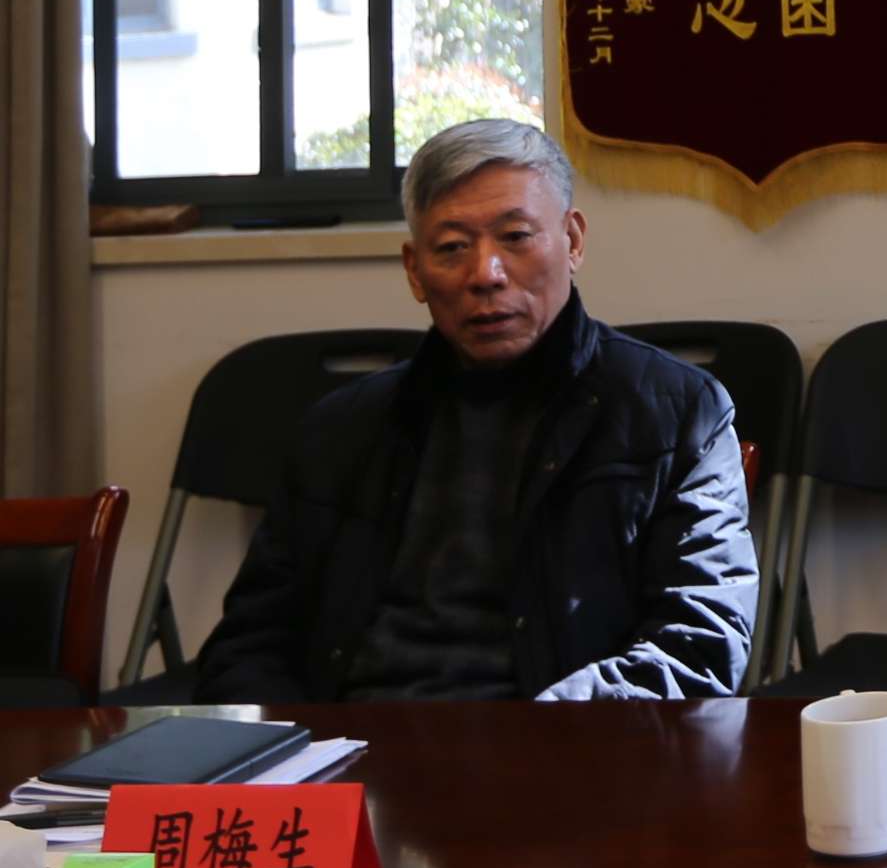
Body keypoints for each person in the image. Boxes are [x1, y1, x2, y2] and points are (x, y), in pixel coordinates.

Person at [197, 120, 756, 702]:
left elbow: (700, 640)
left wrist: (544, 729)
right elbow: (249, 643)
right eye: (452, 248)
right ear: (414, 270)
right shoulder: (341, 428)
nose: (486, 275)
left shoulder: (677, 412)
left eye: (515, 237)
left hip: (565, 739)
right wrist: (300, 742)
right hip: (358, 738)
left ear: (573, 241)